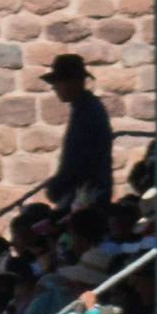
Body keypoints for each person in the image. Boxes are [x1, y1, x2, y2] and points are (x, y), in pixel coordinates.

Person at [43, 51, 118, 233]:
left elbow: (79, 158)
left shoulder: (87, 112)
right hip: (87, 189)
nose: (55, 88)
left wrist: (59, 184)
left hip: (87, 192)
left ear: (74, 82)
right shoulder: (86, 108)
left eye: (58, 82)